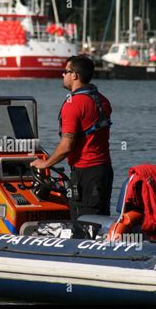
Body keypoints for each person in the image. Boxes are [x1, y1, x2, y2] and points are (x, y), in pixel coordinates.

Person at [31, 55, 113, 224]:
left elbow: (66, 145)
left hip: (85, 173)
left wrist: (44, 164)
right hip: (104, 171)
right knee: (100, 221)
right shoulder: (103, 100)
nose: (63, 75)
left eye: (65, 71)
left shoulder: (73, 104)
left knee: (83, 224)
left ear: (75, 75)